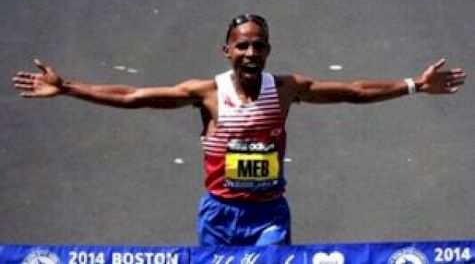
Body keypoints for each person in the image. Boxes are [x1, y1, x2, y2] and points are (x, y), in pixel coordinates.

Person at [12, 14, 467, 246]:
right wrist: (67, 87)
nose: (251, 52)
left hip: (268, 215)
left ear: (268, 51)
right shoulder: (208, 93)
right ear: (227, 50)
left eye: (259, 46)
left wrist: (414, 85)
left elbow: (352, 90)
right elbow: (133, 96)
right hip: (219, 216)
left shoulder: (285, 89)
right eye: (243, 45)